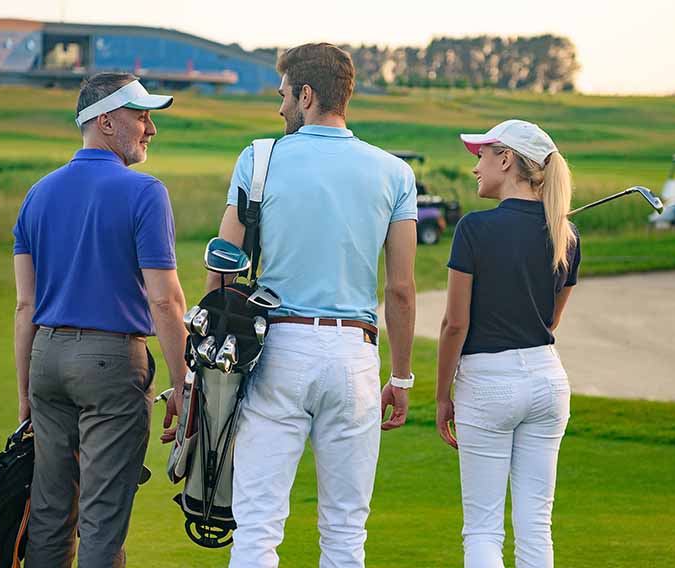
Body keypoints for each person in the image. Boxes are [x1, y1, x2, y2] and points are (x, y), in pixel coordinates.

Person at [206, 43, 418, 567]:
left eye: (283, 96)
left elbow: (223, 265)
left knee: (257, 525)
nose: (279, 109)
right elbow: (401, 289)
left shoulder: (258, 158)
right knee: (346, 532)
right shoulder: (395, 173)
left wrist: (202, 363)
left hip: (278, 349)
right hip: (355, 355)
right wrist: (404, 376)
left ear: (306, 94)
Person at [12, 72, 189, 567]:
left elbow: (25, 306)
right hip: (112, 363)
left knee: (48, 516)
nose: (150, 128)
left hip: (46, 359)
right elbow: (165, 301)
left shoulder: (37, 194)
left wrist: (25, 392)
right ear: (106, 121)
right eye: (141, 116)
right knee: (102, 520)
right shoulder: (145, 192)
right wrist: (183, 383)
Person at [435, 120, 580, 568]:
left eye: (481, 156)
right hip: (547, 381)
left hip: (488, 384)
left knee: (482, 529)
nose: (476, 168)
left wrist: (443, 396)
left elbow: (454, 325)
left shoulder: (474, 230)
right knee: (536, 524)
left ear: (507, 159)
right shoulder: (567, 237)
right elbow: (550, 320)